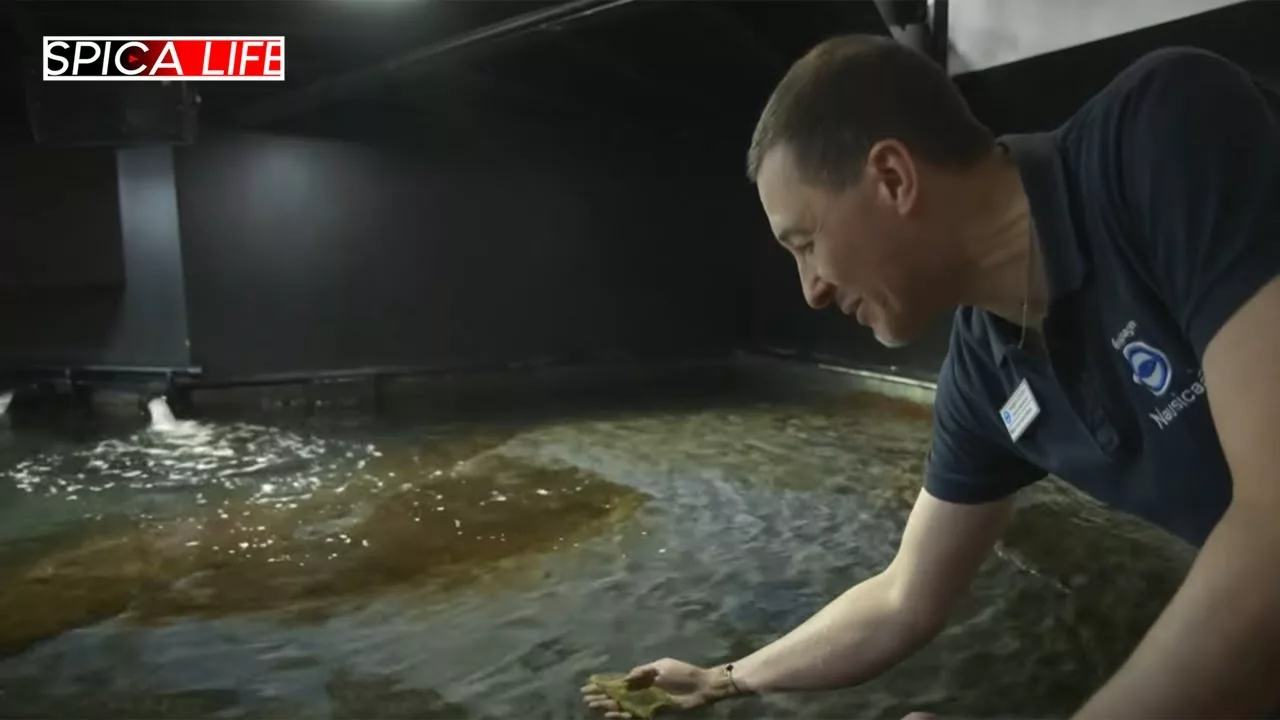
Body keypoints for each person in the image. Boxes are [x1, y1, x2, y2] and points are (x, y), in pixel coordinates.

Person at [581, 33, 1280, 720]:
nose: (811, 290)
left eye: (805, 243)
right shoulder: (984, 372)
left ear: (893, 178)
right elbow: (902, 598)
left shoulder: (1164, 132)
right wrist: (724, 678)